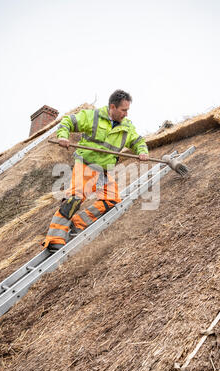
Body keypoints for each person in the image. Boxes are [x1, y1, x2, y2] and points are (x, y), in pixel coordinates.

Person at [43, 89, 149, 252]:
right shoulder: (92, 117)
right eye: (123, 110)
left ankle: (77, 224)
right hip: (85, 165)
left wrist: (142, 151)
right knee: (74, 199)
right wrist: (63, 136)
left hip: (104, 172)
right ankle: (54, 239)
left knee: (111, 202)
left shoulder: (127, 127)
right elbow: (67, 121)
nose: (126, 114)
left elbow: (138, 141)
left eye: (127, 110)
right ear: (112, 107)